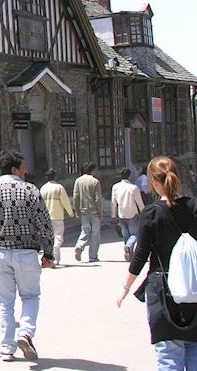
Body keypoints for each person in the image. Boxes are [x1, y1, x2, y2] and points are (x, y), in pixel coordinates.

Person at [117, 156, 197, 370]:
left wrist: (126, 287)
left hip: (163, 289)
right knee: (194, 351)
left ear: (152, 181)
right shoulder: (194, 207)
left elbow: (141, 255)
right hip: (194, 290)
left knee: (169, 357)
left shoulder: (152, 212)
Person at [0, 150, 55, 362]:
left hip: (1, 253)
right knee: (30, 296)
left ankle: (6, 348)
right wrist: (48, 253)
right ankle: (26, 333)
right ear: (14, 169)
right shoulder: (30, 190)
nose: (25, 171)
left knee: (5, 302)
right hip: (27, 252)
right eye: (23, 167)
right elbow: (45, 225)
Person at [39, 169, 74, 266]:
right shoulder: (59, 188)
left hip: (46, 218)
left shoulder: (43, 188)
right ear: (55, 177)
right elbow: (65, 201)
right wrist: (70, 212)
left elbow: (40, 204)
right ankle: (56, 257)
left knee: (49, 237)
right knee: (58, 237)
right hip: (57, 216)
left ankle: (52, 258)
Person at [112, 168, 146, 262]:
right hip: (132, 213)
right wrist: (144, 212)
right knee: (135, 233)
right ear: (129, 176)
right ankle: (129, 246)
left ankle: (129, 252)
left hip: (121, 213)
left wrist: (113, 214)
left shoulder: (115, 187)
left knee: (125, 233)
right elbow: (139, 202)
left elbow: (113, 202)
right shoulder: (133, 187)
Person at [72, 163, 103, 262]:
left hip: (83, 210)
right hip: (94, 211)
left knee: (85, 230)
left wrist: (77, 211)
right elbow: (98, 199)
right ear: (92, 170)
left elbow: (75, 197)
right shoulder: (95, 181)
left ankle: (80, 246)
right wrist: (100, 212)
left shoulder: (78, 181)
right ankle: (93, 256)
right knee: (95, 233)